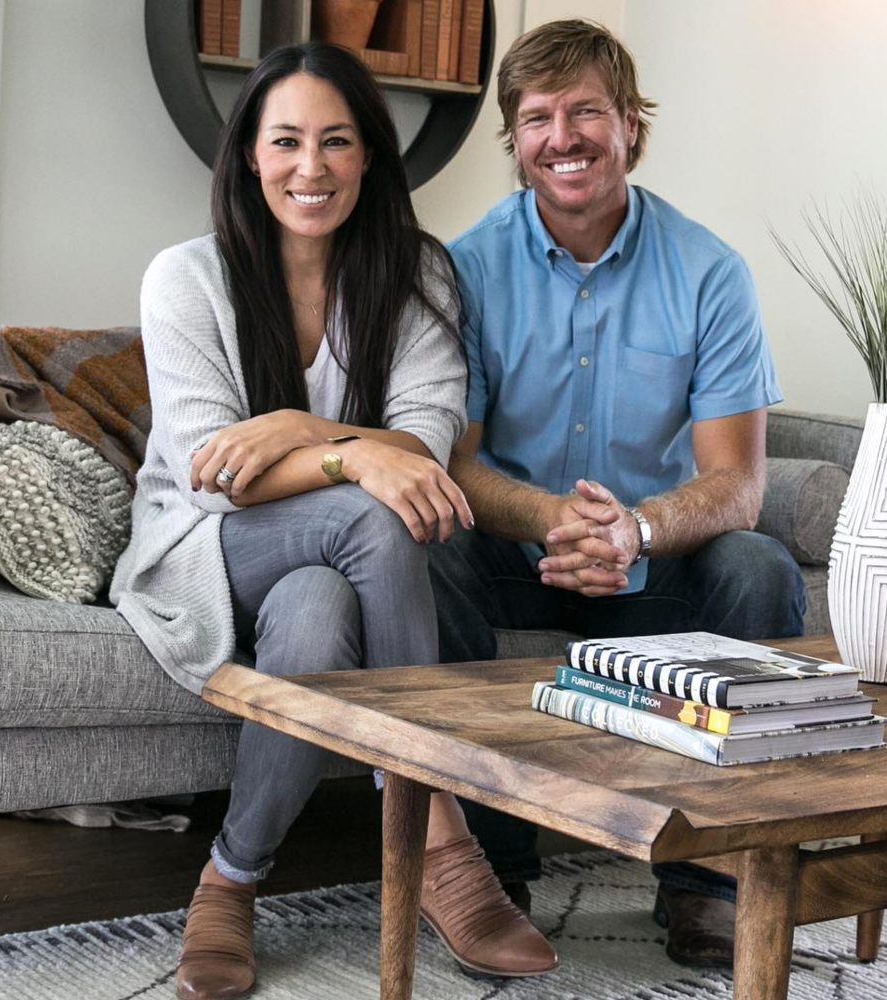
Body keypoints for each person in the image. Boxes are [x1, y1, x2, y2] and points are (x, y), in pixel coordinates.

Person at [110, 42, 559, 1000]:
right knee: (371, 517)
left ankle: (229, 880)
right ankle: (439, 835)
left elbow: (425, 446)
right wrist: (351, 454)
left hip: (324, 563)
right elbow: (211, 475)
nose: (309, 166)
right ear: (249, 156)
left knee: (318, 612)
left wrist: (301, 428)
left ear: (368, 157)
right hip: (206, 546)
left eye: (336, 141)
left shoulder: (418, 272)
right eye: (285, 141)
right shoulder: (185, 277)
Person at [429, 18, 806, 969]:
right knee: (425, 554)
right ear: (514, 139)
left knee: (759, 566)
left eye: (586, 111)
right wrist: (555, 521)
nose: (563, 137)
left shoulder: (710, 272)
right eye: (538, 118)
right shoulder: (465, 269)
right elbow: (453, 462)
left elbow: (738, 485)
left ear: (631, 124)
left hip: (655, 569)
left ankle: (711, 882)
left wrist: (636, 530)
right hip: (516, 559)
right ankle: (493, 872)